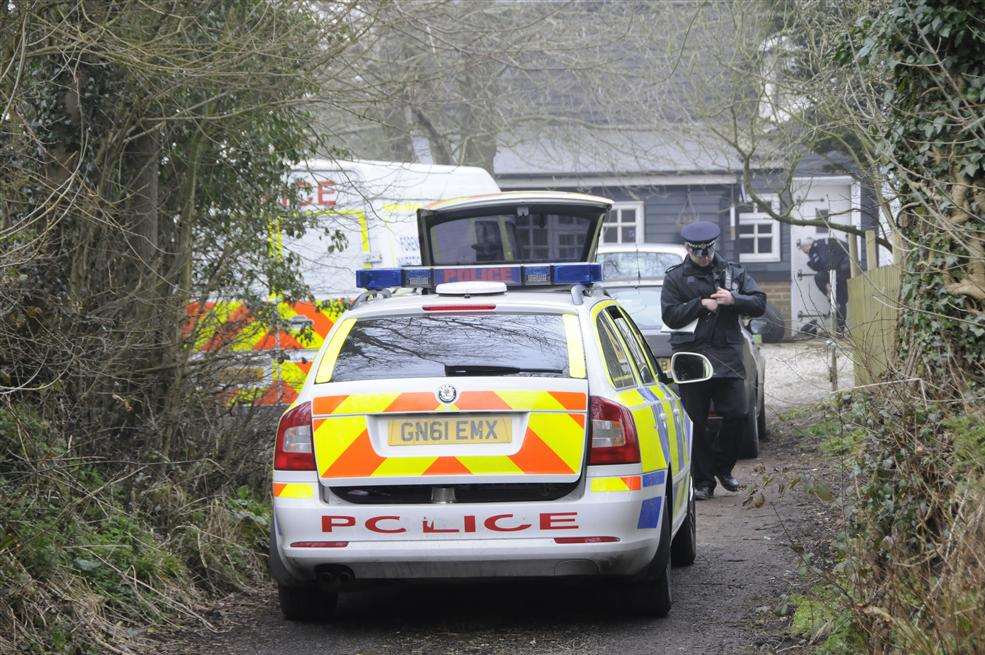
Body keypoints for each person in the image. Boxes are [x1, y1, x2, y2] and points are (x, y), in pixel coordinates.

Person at [661, 221, 767, 500]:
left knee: (738, 414)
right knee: (695, 422)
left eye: (708, 251)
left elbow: (759, 302)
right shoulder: (675, 278)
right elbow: (669, 315)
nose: (704, 257)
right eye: (699, 253)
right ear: (688, 249)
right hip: (692, 357)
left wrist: (734, 299)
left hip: (727, 353)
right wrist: (699, 305)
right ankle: (703, 482)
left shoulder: (732, 272)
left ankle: (722, 467)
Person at [798, 237, 850, 335]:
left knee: (838, 299)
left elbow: (827, 263)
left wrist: (829, 284)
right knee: (839, 300)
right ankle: (838, 328)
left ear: (807, 246)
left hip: (841, 271)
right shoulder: (822, 244)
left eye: (802, 249)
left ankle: (839, 329)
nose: (804, 252)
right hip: (843, 269)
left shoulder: (817, 248)